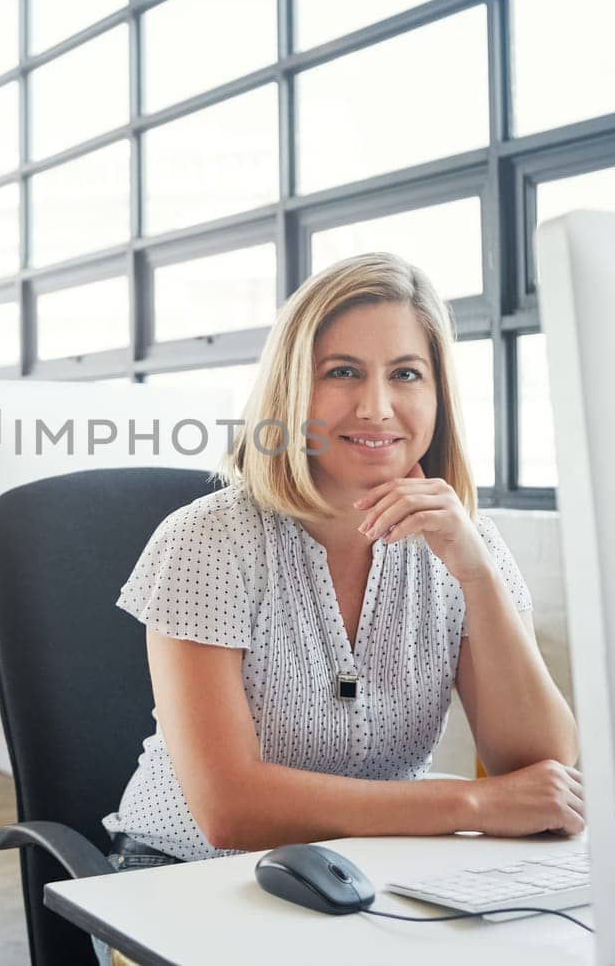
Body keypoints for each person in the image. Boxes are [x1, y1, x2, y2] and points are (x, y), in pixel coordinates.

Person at [98, 253, 581, 896]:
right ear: (292, 389)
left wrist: (477, 572)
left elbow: (543, 771)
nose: (377, 407)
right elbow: (230, 809)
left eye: (406, 374)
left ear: (438, 395)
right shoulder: (209, 540)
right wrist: (472, 805)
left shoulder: (468, 544)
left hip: (374, 872)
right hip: (183, 876)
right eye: (342, 372)